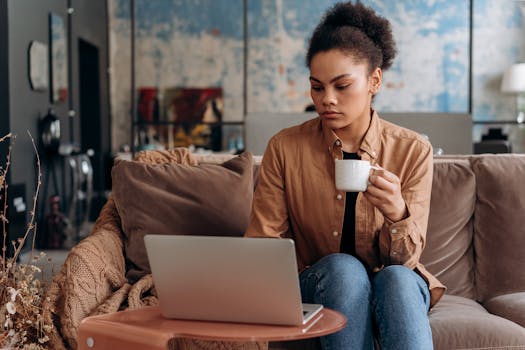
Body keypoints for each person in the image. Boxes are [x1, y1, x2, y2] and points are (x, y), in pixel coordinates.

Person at [245, 1, 445, 349]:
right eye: (317, 87)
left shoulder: (413, 150)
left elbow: (405, 261)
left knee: (397, 278)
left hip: (394, 282)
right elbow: (263, 245)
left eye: (341, 85)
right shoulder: (285, 148)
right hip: (322, 281)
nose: (327, 100)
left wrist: (397, 212)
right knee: (344, 270)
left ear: (374, 80)